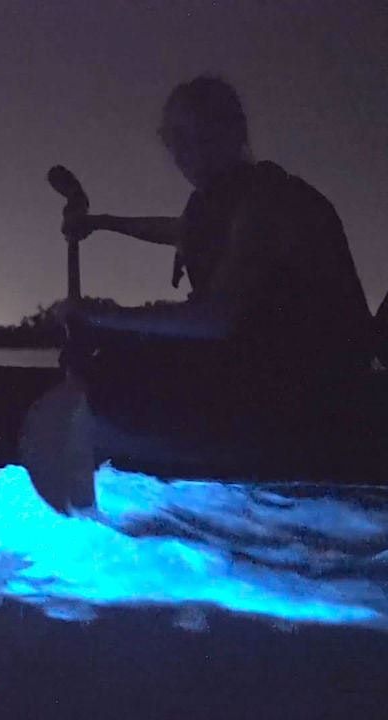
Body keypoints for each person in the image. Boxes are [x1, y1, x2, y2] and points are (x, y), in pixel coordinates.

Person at [28, 75, 375, 513]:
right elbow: (179, 230)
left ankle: (129, 458)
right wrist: (101, 222)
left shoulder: (268, 201)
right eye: (173, 138)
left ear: (233, 132)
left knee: (118, 358)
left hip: (314, 384)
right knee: (116, 351)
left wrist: (101, 314)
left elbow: (216, 319)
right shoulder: (217, 202)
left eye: (194, 135)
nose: (182, 151)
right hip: (259, 360)